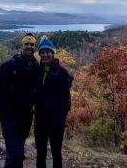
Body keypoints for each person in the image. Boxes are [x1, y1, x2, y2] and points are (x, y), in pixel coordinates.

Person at [0, 33, 39, 168]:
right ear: (21, 46)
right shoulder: (8, 66)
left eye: (32, 45)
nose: (29, 47)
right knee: (16, 154)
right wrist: (4, 113)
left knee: (14, 154)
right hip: (10, 118)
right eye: (26, 44)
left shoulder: (35, 67)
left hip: (26, 118)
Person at [35, 35, 72, 168]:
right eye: (42, 52)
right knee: (40, 151)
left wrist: (61, 117)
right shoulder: (37, 70)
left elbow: (66, 99)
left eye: (48, 52)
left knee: (56, 151)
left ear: (52, 53)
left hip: (56, 120)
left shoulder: (62, 72)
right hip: (40, 119)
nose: (45, 55)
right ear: (39, 54)